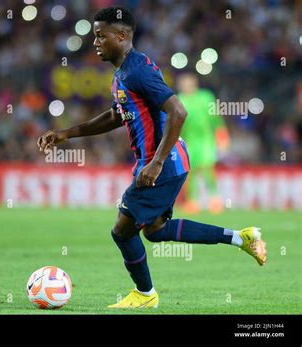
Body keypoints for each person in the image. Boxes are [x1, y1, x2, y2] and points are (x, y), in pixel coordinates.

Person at [37, 7, 267, 309]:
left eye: (100, 36)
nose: (94, 42)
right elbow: (116, 116)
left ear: (121, 36)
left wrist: (156, 162)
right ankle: (241, 238)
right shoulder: (123, 72)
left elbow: (178, 111)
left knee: (122, 231)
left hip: (162, 164)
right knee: (156, 231)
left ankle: (145, 294)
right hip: (165, 162)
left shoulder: (138, 70)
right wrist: (68, 133)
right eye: (94, 36)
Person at [177, 72, 229, 213]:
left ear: (195, 84)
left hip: (206, 140)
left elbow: (216, 119)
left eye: (189, 83)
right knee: (190, 171)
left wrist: (222, 137)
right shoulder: (179, 100)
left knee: (207, 168)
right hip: (189, 142)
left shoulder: (206, 97)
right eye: (183, 84)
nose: (186, 86)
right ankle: (192, 201)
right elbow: (176, 125)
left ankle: (214, 199)